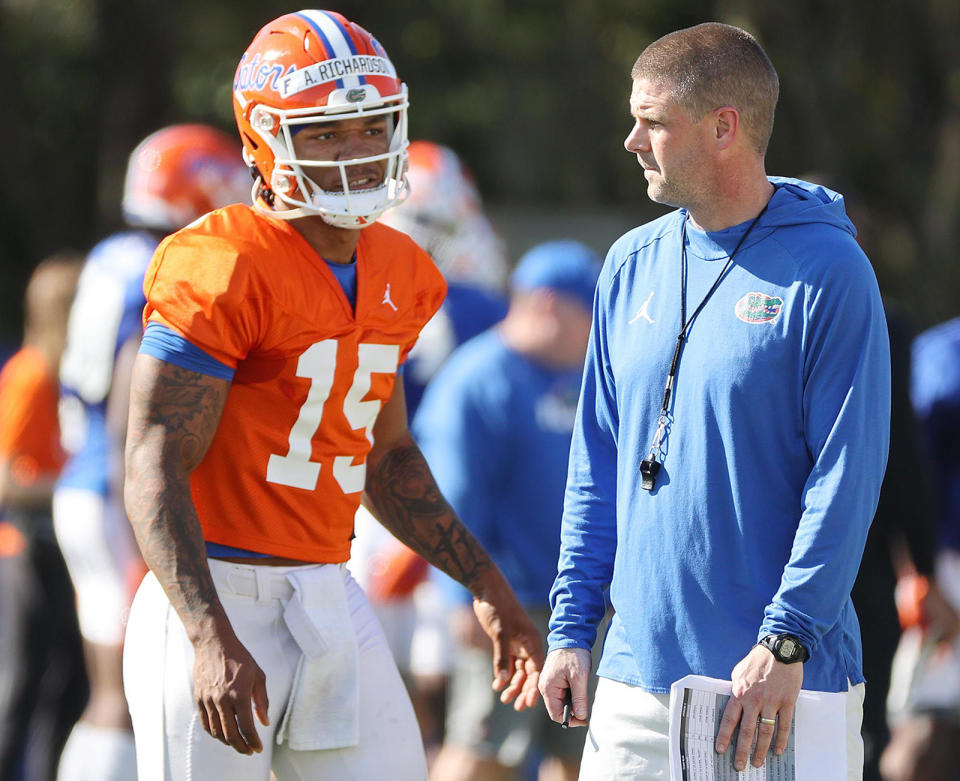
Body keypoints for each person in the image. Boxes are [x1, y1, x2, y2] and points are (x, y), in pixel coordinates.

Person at [120, 10, 542, 780]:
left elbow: (384, 458)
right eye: (323, 134)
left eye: (370, 126)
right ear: (264, 140)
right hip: (214, 591)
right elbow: (154, 453)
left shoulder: (403, 270)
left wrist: (484, 581)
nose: (356, 152)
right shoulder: (219, 261)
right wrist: (207, 632)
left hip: (326, 586)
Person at [537, 22, 890, 779]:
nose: (632, 140)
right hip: (634, 680)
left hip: (778, 682)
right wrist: (571, 625)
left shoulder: (829, 270)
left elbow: (846, 478)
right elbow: (598, 462)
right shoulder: (629, 261)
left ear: (724, 127)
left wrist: (787, 639)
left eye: (654, 122)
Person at [53, 123, 250, 781]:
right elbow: (131, 401)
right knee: (122, 695)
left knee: (105, 686)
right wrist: (146, 511)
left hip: (80, 481)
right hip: (112, 484)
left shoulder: (110, 254)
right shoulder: (160, 264)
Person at [414, 240, 600, 781]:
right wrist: (464, 596)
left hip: (580, 609)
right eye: (588, 313)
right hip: (508, 605)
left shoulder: (578, 374)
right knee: (483, 751)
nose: (598, 329)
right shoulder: (478, 379)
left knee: (583, 756)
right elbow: (450, 501)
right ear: (547, 305)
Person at [350, 140, 510, 756]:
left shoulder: (351, 283)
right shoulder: (478, 308)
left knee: (366, 683)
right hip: (436, 495)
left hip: (356, 497)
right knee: (438, 676)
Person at [0, 253, 87, 781]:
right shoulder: (31, 374)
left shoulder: (72, 379)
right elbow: (8, 478)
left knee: (71, 687)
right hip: (25, 552)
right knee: (20, 687)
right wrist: (77, 485)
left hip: (66, 550)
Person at [879, 315, 960, 781]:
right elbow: (909, 472)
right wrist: (919, 572)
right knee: (922, 722)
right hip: (946, 566)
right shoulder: (942, 354)